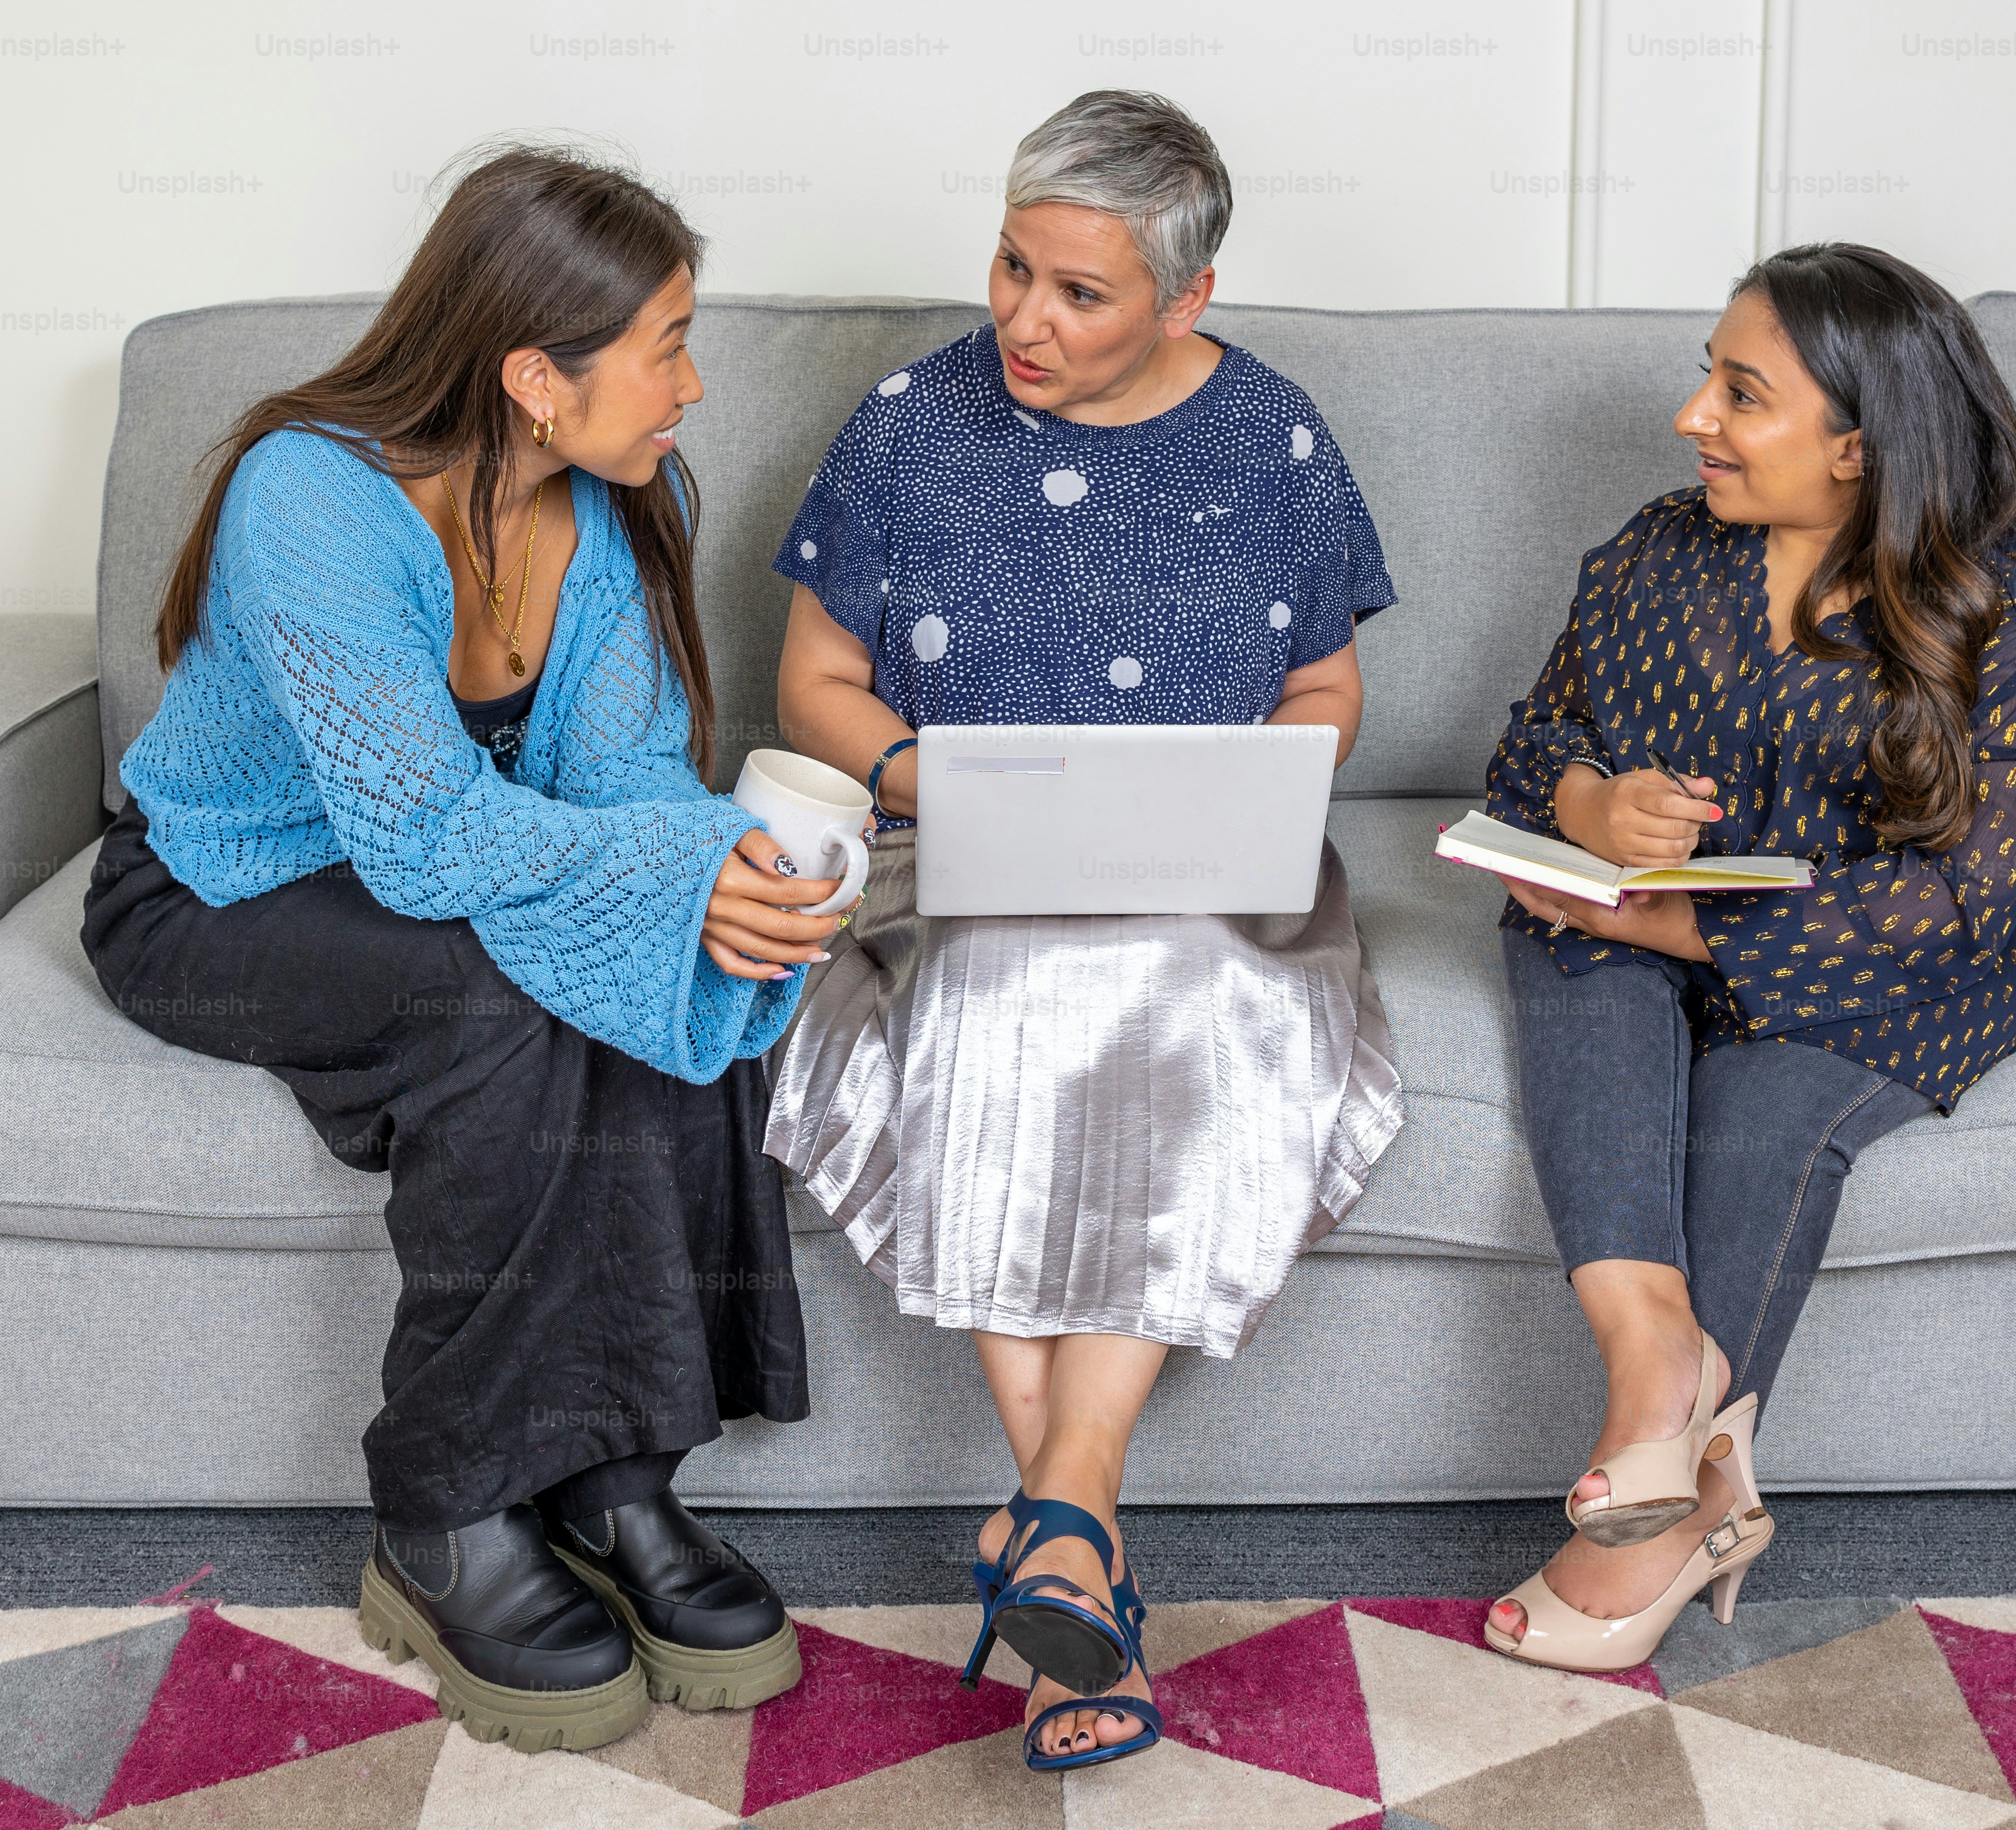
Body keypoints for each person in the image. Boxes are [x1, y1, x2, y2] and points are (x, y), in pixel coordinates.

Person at [82, 146, 842, 1750]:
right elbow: (419, 837)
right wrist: (681, 865)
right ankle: (445, 1512)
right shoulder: (309, 494)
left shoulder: (632, 496)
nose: (695, 388)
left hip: (442, 876)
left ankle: (616, 1482)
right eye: (670, 346)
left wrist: (717, 881)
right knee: (510, 989)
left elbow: (627, 781)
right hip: (219, 892)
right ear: (533, 377)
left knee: (663, 963)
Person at [766, 91, 1405, 1769]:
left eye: (1079, 294)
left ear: (1189, 300)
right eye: (1012, 268)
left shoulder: (1275, 439)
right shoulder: (908, 423)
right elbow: (815, 682)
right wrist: (921, 778)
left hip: (1212, 888)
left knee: (1186, 984)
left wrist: (1258, 785)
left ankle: (1059, 1519)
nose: (1023, 322)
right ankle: (1075, 1538)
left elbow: (1328, 686)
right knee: (998, 983)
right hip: (952, 870)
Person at [1477, 243, 2016, 1671]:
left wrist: (1670, 917)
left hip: (1883, 968)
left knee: (1760, 1112)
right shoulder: (1658, 553)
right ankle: (1659, 1371)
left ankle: (1680, 1511)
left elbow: (1958, 902)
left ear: (1861, 448)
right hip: (1638, 923)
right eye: (1710, 374)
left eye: (1739, 391)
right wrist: (1591, 809)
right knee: (1569, 945)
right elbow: (1537, 744)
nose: (1694, 414)